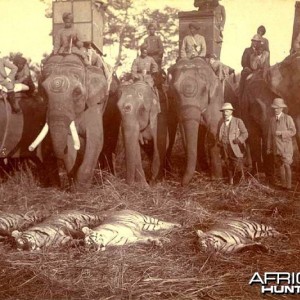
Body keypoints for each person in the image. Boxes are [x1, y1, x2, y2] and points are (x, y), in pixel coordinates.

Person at [267, 98, 296, 190]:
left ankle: (289, 186)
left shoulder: (288, 118)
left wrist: (282, 133)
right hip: (277, 148)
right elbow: (269, 135)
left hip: (286, 147)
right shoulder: (272, 120)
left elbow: (293, 131)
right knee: (280, 166)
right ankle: (283, 185)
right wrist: (269, 148)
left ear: (282, 108)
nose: (276, 110)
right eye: (274, 108)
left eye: (278, 108)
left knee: (287, 165)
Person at [218, 102, 248, 185]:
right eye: (223, 111)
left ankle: (241, 182)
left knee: (237, 164)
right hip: (225, 147)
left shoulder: (238, 121)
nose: (225, 113)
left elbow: (245, 133)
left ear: (231, 111)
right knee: (228, 164)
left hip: (236, 147)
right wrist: (220, 142)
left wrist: (239, 140)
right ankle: (231, 182)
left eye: (227, 111)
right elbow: (220, 134)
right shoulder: (221, 123)